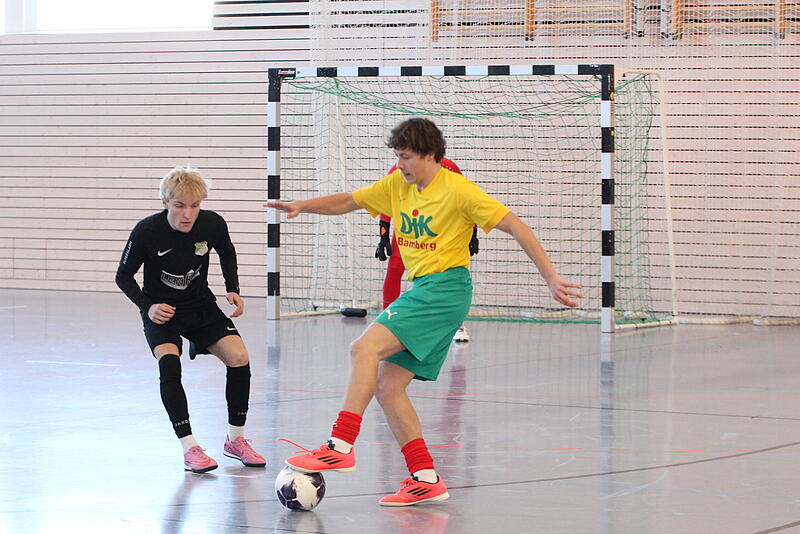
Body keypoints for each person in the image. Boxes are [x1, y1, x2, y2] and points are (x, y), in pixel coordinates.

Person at [268, 118, 581, 506]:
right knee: (388, 386)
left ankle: (341, 443)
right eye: (398, 156)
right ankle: (424, 477)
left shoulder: (459, 192)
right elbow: (350, 200)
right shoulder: (398, 186)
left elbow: (517, 226)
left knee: (363, 349)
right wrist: (302, 206)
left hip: (445, 289)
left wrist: (550, 278)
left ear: (431, 155)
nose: (400, 165)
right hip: (427, 290)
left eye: (407, 157)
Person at [115, 166, 266, 473]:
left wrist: (232, 288)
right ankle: (190, 448)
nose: (188, 214)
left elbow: (227, 251)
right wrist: (148, 306)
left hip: (201, 306)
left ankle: (235, 440)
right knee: (170, 364)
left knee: (239, 358)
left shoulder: (212, 224)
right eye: (180, 205)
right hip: (163, 312)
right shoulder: (147, 231)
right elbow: (123, 276)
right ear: (165, 203)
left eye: (195, 206)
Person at [375, 158, 477, 343]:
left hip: (442, 231)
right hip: (410, 228)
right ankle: (386, 321)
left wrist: (473, 232)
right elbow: (386, 200)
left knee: (450, 273)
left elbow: (468, 199)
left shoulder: (448, 167)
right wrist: (383, 236)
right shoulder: (397, 170)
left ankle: (456, 324)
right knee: (395, 269)